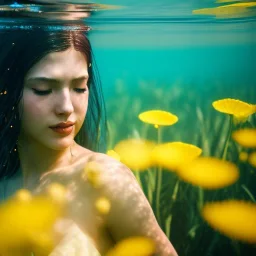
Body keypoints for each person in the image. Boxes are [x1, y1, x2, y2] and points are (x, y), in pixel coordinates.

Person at [0, 24, 178, 256]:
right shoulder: (4, 184)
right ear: (7, 90)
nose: (66, 107)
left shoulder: (105, 179)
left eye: (79, 88)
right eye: (43, 89)